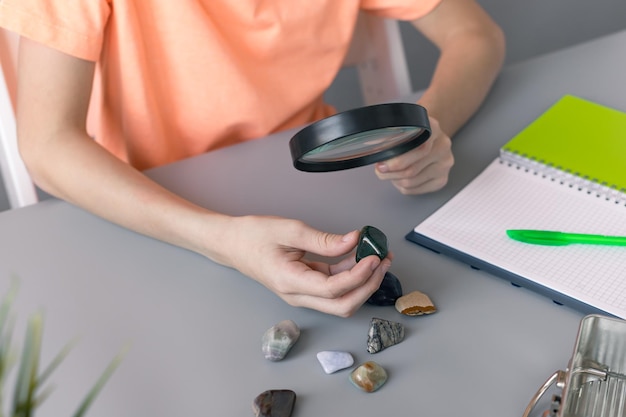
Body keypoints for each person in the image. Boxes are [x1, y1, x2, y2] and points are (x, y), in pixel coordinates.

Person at [0, 0, 505, 317]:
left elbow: (476, 36)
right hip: (142, 210)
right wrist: (221, 241)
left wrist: (431, 128)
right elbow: (47, 145)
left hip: (303, 185)